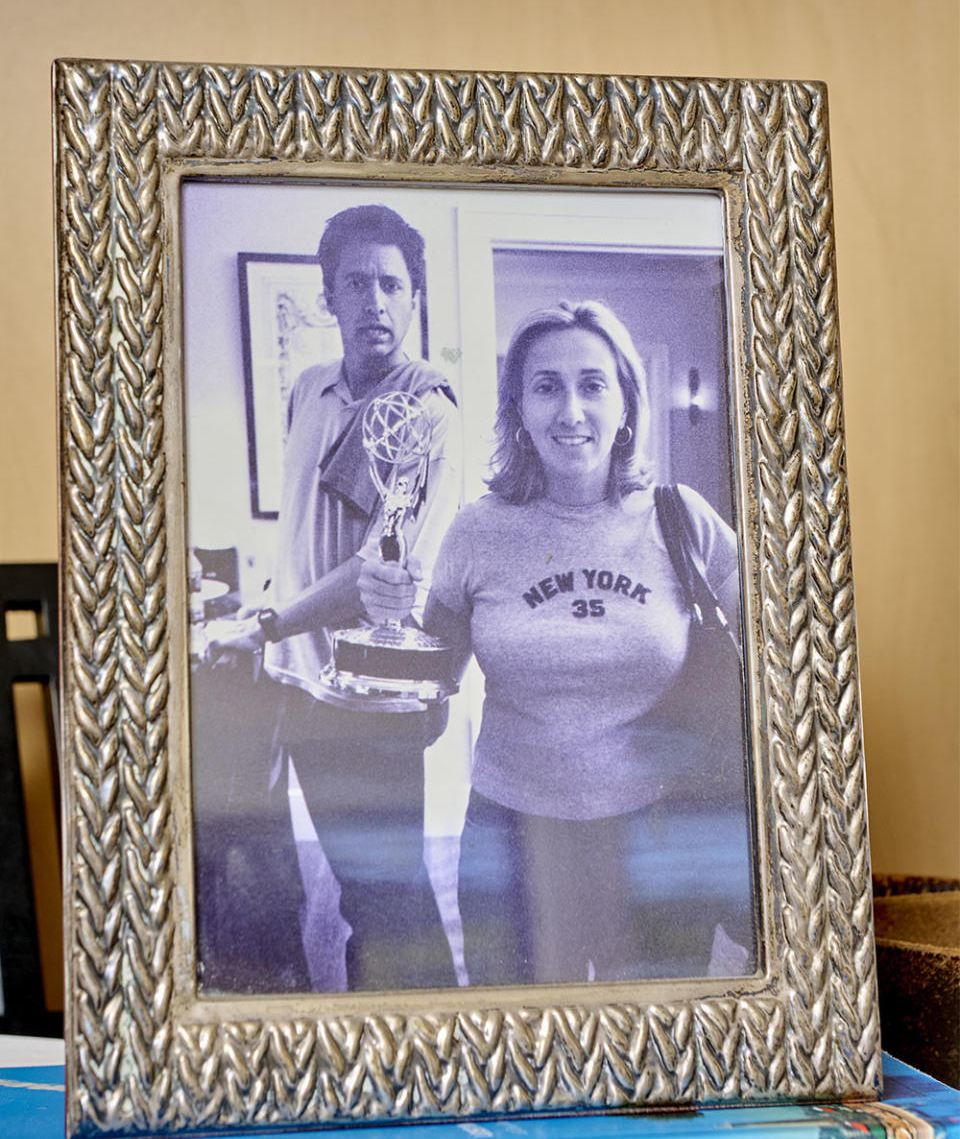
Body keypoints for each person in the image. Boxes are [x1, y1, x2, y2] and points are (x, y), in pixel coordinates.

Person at [360, 300, 754, 987]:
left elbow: (786, 658)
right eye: (546, 387)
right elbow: (427, 698)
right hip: (512, 836)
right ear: (518, 409)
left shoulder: (681, 518)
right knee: (524, 1053)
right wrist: (388, 626)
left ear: (627, 404)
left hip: (659, 835)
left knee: (656, 1047)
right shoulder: (476, 532)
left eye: (593, 384)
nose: (571, 410)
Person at [206, 205, 461, 993]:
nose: (375, 302)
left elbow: (377, 575)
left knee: (392, 896)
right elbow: (301, 534)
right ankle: (365, 1044)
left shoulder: (430, 411)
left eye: (392, 284)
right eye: (357, 284)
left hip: (374, 697)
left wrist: (269, 621)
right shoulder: (310, 390)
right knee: (347, 888)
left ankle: (436, 1057)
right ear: (330, 298)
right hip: (300, 684)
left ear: (416, 298)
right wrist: (272, 626)